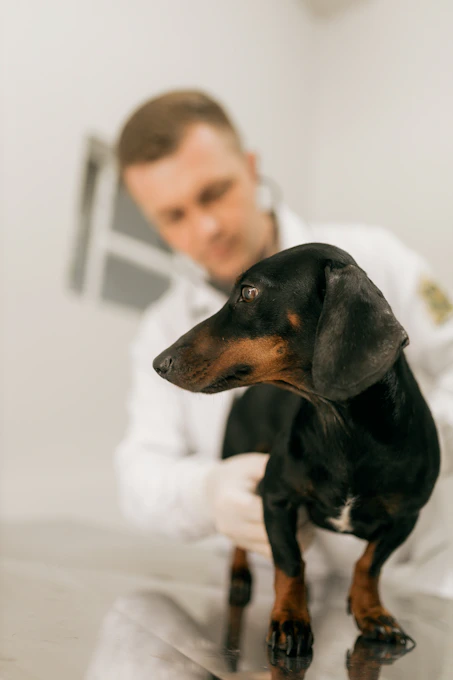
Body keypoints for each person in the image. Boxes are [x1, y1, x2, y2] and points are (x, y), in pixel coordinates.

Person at [114, 90, 453, 593]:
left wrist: (410, 441)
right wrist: (207, 492)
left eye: (213, 193)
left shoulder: (370, 260)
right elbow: (138, 473)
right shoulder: (163, 331)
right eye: (174, 215)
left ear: (251, 168)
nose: (205, 228)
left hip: (412, 580)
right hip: (274, 593)